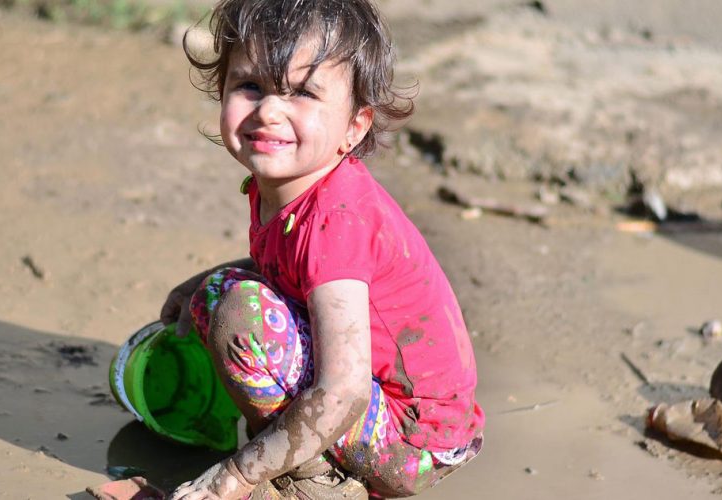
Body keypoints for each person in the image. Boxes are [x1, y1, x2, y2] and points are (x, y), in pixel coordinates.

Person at [162, 0, 484, 498]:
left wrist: (238, 476)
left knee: (240, 313)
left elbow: (345, 389)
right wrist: (193, 284)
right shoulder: (286, 187)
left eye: (304, 92)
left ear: (354, 128)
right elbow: (289, 267)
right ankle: (289, 451)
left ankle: (313, 481)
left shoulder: (336, 218)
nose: (269, 110)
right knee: (216, 291)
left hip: (413, 439)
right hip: (390, 412)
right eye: (250, 85)